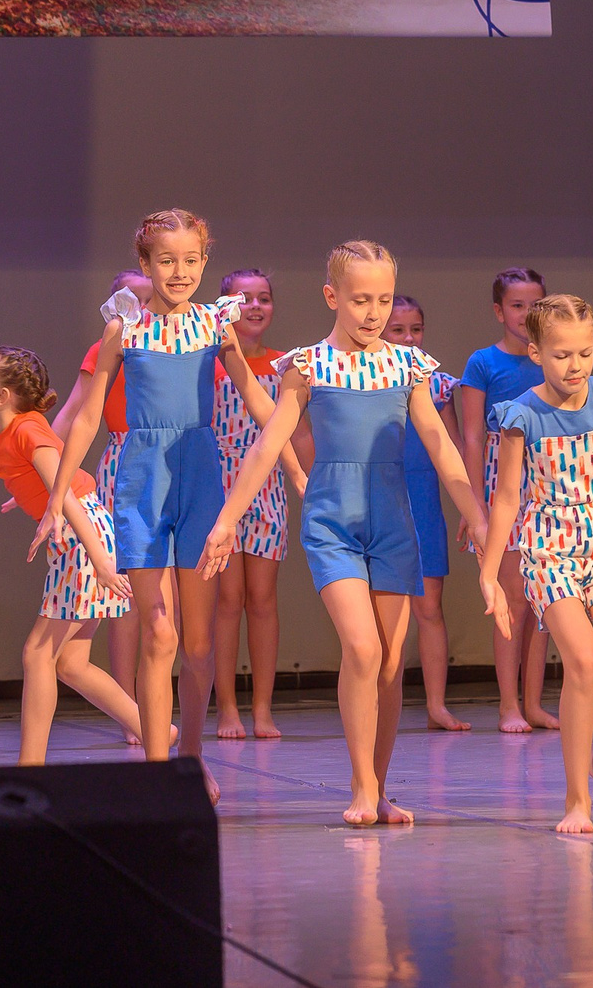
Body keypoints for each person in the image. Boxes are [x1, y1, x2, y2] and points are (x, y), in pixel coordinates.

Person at [205, 242, 489, 826]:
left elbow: (442, 447)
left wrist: (478, 515)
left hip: (393, 525)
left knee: (388, 664)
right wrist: (228, 518)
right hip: (332, 522)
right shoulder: (308, 365)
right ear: (332, 297)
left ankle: (379, 789)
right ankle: (360, 786)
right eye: (361, 300)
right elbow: (267, 445)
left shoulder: (408, 366)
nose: (374, 312)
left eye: (383, 299)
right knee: (362, 648)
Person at [35, 210, 274, 805]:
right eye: (166, 260)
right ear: (145, 264)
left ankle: (189, 758)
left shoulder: (216, 324)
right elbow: (88, 415)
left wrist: (296, 466)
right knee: (159, 634)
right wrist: (55, 500)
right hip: (142, 482)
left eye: (191, 260)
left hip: (200, 479)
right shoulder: (125, 328)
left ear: (205, 262)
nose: (180, 271)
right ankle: (157, 772)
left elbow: (255, 397)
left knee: (197, 645)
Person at [482, 295, 593, 833]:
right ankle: (576, 799)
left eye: (584, 353)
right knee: (584, 662)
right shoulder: (521, 414)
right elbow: (507, 497)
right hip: (549, 543)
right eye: (562, 355)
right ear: (536, 352)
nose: (575, 366)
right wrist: (490, 572)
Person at [0, 346, 163, 762]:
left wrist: (101, 561)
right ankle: (157, 731)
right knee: (71, 663)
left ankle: (31, 764)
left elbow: (66, 494)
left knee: (37, 653)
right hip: (74, 539)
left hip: (82, 535)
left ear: (2, 397)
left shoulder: (28, 430)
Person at [54, 267, 152, 743]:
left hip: (172, 461)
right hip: (123, 463)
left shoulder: (180, 343)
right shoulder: (107, 347)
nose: (143, 307)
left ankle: (158, 709)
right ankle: (130, 707)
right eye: (134, 298)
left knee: (166, 597)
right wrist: (45, 476)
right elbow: (74, 412)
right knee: (124, 590)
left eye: (150, 298)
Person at [460, 266, 559, 732]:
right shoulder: (483, 362)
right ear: (500, 311)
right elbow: (473, 436)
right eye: (517, 306)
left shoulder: (552, 358)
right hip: (503, 483)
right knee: (512, 599)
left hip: (550, 482)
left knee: (544, 600)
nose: (526, 314)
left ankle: (534, 702)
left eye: (535, 305)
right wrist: (475, 504)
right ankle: (508, 704)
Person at [211, 268, 307, 740]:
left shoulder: (284, 366)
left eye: (263, 298)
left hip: (267, 487)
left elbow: (297, 433)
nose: (254, 306)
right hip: (221, 484)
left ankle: (263, 708)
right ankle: (227, 707)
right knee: (229, 599)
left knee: (263, 599)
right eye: (243, 298)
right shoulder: (211, 361)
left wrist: (308, 479)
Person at [385, 295, 468, 731]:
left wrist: (470, 507)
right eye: (398, 330)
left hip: (424, 505)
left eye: (415, 329)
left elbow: (453, 450)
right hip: (382, 502)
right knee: (384, 615)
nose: (408, 338)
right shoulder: (366, 379)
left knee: (429, 607)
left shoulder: (437, 386)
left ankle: (436, 705)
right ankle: (381, 703)